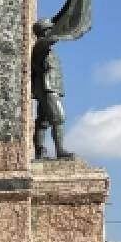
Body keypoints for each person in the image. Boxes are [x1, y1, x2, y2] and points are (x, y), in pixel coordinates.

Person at [31, 19, 71, 158]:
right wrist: (63, 28)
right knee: (58, 118)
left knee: (43, 121)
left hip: (50, 87)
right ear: (45, 31)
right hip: (48, 87)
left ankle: (39, 150)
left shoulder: (45, 48)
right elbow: (52, 39)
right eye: (50, 29)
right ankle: (60, 150)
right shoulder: (41, 44)